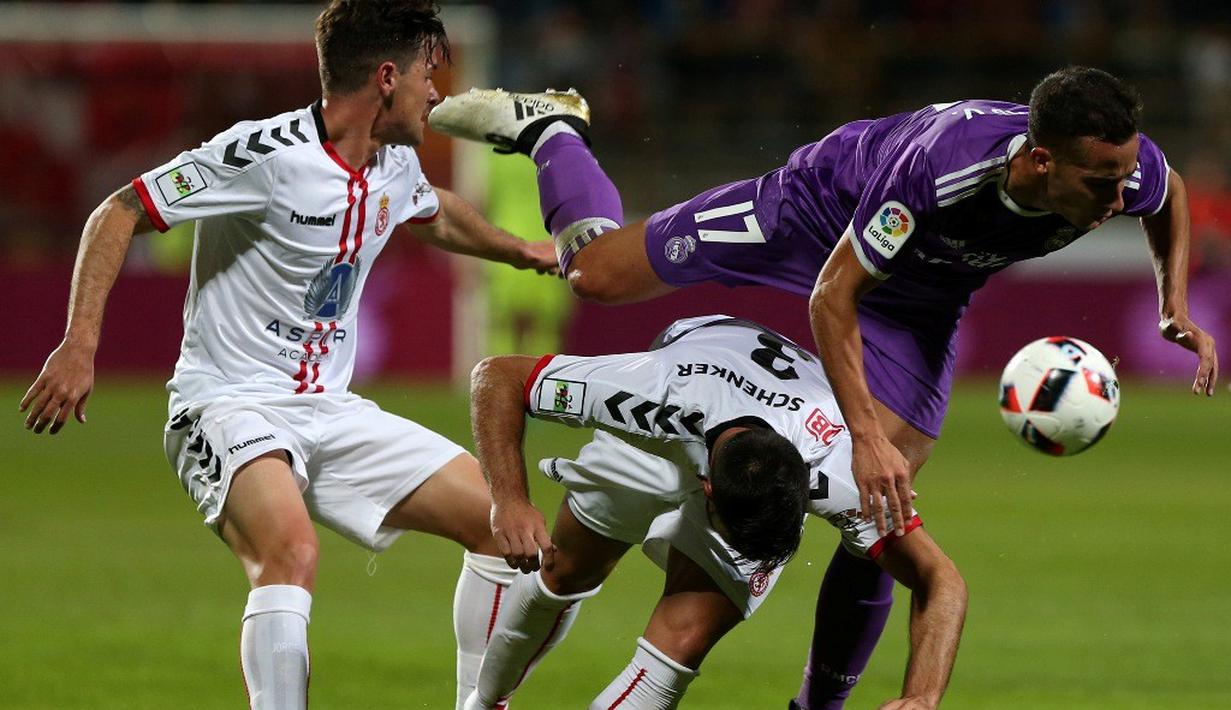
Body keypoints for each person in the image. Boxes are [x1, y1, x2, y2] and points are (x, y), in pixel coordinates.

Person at [429, 66, 1220, 709]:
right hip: (810, 214)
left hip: (922, 300)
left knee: (884, 498)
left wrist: (1170, 302)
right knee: (594, 277)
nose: (1117, 200)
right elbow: (831, 297)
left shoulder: (1122, 166)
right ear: (1039, 161)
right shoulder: (937, 176)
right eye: (1100, 184)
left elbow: (1170, 192)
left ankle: (819, 706)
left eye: (1123, 177)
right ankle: (551, 128)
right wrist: (864, 440)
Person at [19, 2, 557, 708]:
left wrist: (520, 251)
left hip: (328, 409)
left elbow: (432, 209)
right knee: (292, 553)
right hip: (226, 402)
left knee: (508, 533)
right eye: (430, 75)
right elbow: (121, 208)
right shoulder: (262, 154)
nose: (439, 93)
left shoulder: (394, 162)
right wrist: (79, 343)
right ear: (387, 78)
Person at [465, 315, 966, 710]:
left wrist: (922, 695)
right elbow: (499, 376)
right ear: (708, 491)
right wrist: (509, 499)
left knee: (681, 642)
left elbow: (940, 580)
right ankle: (483, 703)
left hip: (772, 417)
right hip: (676, 401)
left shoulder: (840, 473)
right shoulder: (646, 396)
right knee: (564, 571)